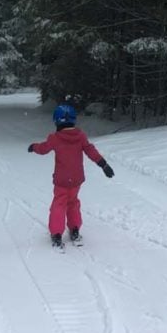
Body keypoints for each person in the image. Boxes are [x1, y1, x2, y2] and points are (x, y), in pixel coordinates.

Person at [28, 103, 114, 249]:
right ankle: (74, 229)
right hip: (76, 179)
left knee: (59, 205)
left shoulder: (55, 138)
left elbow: (43, 149)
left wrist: (33, 147)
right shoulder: (80, 136)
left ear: (56, 121)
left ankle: (56, 233)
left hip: (61, 180)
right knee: (73, 202)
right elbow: (90, 150)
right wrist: (103, 164)